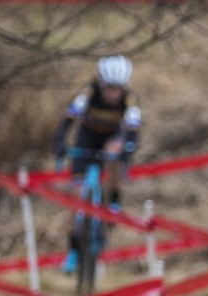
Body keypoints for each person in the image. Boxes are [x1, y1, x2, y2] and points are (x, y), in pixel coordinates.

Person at [51, 55, 142, 274]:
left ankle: (114, 201)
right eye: (109, 88)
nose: (113, 93)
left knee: (114, 152)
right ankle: (72, 251)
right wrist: (60, 145)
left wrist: (127, 153)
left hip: (111, 138)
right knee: (76, 196)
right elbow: (66, 123)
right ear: (100, 84)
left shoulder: (130, 101)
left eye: (118, 89)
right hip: (86, 139)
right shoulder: (87, 95)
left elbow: (132, 132)